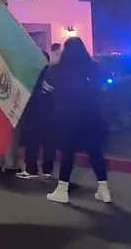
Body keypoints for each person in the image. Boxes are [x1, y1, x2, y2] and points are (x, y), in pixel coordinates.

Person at [45, 37, 112, 204]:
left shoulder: (59, 69)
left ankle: (62, 189)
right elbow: (106, 84)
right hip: (91, 115)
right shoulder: (94, 67)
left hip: (67, 116)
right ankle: (103, 188)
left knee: (68, 152)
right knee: (94, 151)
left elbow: (48, 87)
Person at [17, 52, 57, 180]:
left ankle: (31, 170)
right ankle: (47, 170)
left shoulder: (32, 75)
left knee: (32, 142)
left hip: (33, 112)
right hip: (50, 113)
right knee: (48, 142)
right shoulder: (53, 73)